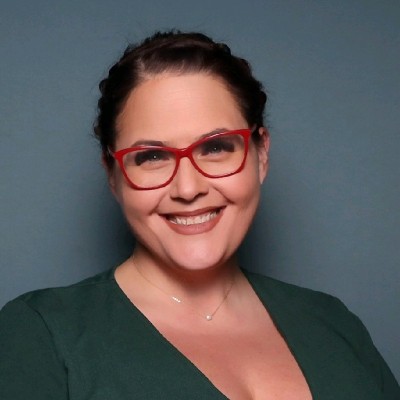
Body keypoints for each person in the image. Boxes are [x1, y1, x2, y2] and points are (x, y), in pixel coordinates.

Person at [0, 30, 399, 400]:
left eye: (216, 147)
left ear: (260, 155)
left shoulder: (333, 323)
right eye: (151, 156)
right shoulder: (42, 335)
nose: (188, 189)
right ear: (113, 175)